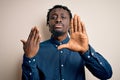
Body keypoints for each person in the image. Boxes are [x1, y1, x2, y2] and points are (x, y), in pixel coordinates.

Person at [21, 5, 112, 80]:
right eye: (53, 17)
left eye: (63, 17)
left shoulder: (81, 47)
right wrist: (29, 58)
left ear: (70, 24)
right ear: (48, 24)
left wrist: (86, 51)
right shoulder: (35, 49)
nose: (58, 20)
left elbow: (106, 74)